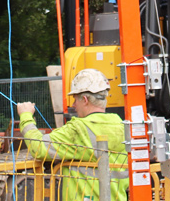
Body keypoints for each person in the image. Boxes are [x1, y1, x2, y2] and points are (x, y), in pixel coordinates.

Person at [16, 69, 128, 201]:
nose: (74, 105)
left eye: (75, 99)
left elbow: (39, 147)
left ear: (85, 100)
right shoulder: (122, 127)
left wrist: (26, 117)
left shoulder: (78, 130)